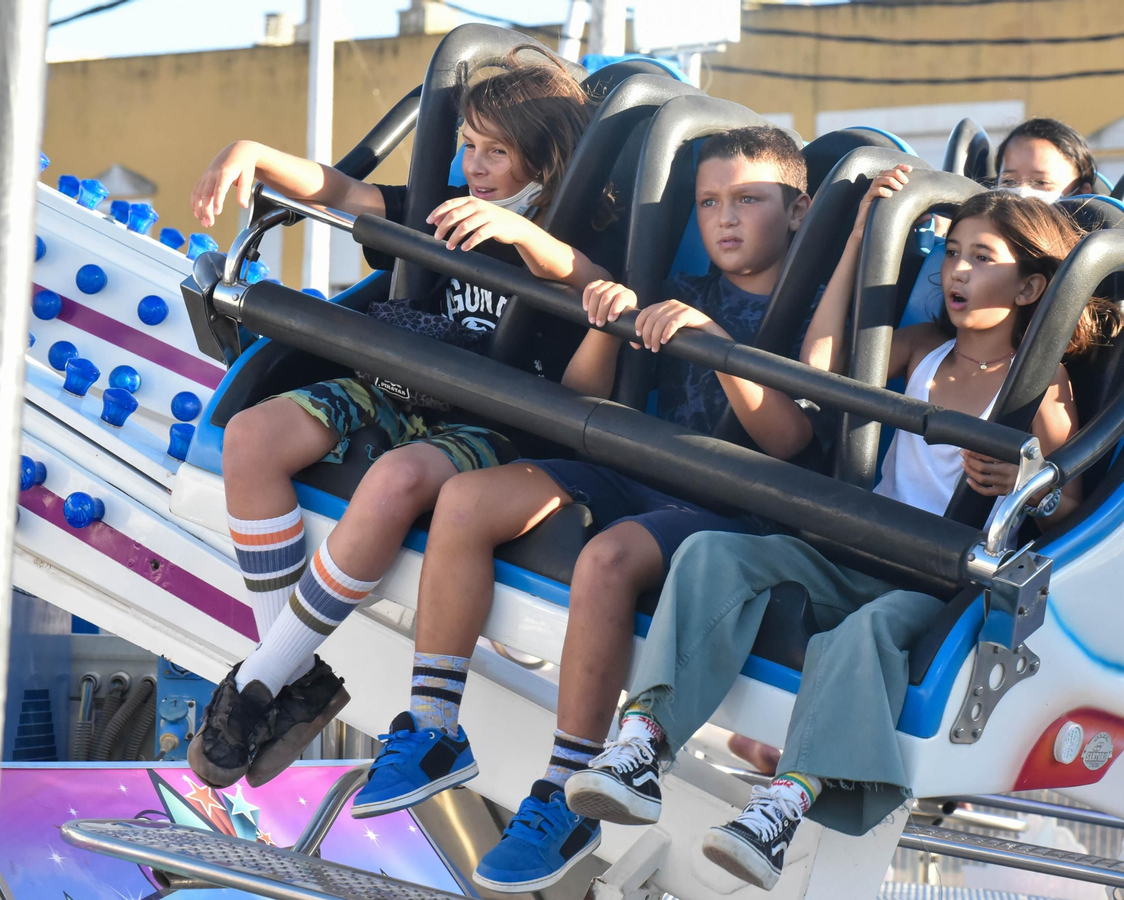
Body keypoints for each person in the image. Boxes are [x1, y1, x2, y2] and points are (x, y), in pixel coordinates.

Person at [567, 172, 1120, 891]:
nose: (956, 270)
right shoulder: (920, 348)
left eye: (982, 258)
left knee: (861, 636)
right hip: (859, 549)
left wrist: (1026, 485)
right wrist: (863, 235)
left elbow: (1069, 503)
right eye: (952, 251)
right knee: (711, 555)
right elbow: (820, 368)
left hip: (936, 583)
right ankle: (643, 743)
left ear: (1030, 290)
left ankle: (784, 807)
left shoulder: (1039, 387)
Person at [346, 125, 822, 893]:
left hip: (733, 503)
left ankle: (568, 794)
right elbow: (582, 395)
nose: (726, 218)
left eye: (749, 200)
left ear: (797, 211)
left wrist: (714, 342)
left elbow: (790, 435)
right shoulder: (683, 286)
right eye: (709, 201)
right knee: (467, 497)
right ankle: (433, 729)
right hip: (632, 465)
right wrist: (607, 323)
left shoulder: (809, 314)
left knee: (608, 558)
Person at [187, 45, 612, 791]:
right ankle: (291, 674)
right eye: (468, 146)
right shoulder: (443, 208)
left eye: (496, 153)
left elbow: (592, 281)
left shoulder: (572, 236)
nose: (473, 167)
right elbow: (346, 193)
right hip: (398, 384)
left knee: (394, 480)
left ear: (545, 163)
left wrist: (517, 234)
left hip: (492, 421)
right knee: (252, 437)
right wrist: (251, 152)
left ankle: (260, 683)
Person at [901, 117, 1097, 326]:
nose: (1022, 192)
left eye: (1041, 183)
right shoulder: (922, 338)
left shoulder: (1087, 272)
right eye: (1009, 182)